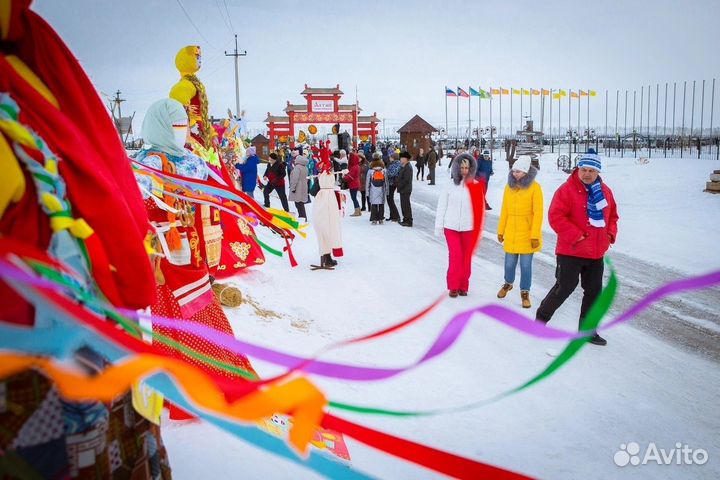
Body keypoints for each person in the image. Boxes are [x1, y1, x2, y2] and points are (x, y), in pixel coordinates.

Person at [535, 149, 619, 346]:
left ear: (598, 172)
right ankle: (540, 320)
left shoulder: (605, 192)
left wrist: (609, 235)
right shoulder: (566, 190)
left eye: (592, 170)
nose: (587, 174)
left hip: (596, 253)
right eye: (584, 169)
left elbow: (613, 217)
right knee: (564, 287)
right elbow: (556, 217)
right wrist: (577, 235)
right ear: (578, 169)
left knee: (593, 292)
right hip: (570, 251)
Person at [496, 156, 543, 309]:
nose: (515, 174)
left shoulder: (535, 188)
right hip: (511, 232)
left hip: (528, 234)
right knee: (509, 264)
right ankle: (508, 283)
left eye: (519, 171)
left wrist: (535, 235)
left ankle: (525, 292)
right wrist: (501, 230)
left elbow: (538, 213)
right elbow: (504, 211)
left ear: (526, 172)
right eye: (514, 170)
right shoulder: (508, 188)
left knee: (525, 266)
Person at [434, 153, 478, 297]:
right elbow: (442, 207)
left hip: (469, 228)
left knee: (466, 258)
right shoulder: (449, 186)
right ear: (456, 168)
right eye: (461, 167)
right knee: (455, 255)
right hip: (451, 227)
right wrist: (439, 226)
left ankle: (463, 286)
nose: (464, 170)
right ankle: (453, 285)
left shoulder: (476, 186)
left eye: (467, 167)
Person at [311, 154, 344, 269]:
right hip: (325, 206)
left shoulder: (323, 176)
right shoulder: (323, 177)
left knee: (326, 230)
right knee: (327, 229)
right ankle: (326, 257)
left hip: (322, 206)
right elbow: (313, 191)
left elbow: (313, 192)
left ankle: (327, 257)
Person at [366, 152, 388, 225]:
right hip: (381, 189)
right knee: (381, 204)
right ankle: (381, 219)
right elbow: (386, 182)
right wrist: (387, 191)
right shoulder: (383, 170)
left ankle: (374, 219)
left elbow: (368, 182)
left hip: (373, 189)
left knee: (374, 204)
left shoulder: (370, 171)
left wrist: (367, 192)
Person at [288, 146, 309, 222]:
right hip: (303, 186)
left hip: (298, 187)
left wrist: (292, 188)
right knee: (301, 203)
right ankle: (304, 217)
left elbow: (295, 179)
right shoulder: (305, 167)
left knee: (298, 204)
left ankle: (302, 218)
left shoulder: (297, 167)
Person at [396, 151, 414, 227]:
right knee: (403, 205)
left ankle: (408, 220)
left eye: (402, 158)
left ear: (406, 159)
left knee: (406, 205)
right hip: (403, 188)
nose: (401, 159)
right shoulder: (404, 166)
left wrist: (399, 185)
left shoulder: (408, 167)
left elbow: (406, 180)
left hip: (405, 189)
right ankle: (405, 219)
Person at [344, 150, 362, 216]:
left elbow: (350, 177)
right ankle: (358, 210)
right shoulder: (357, 166)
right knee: (354, 198)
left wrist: (344, 177)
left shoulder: (353, 167)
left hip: (353, 184)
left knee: (354, 198)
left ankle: (357, 211)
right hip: (356, 183)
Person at [385, 152, 402, 221]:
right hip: (390, 183)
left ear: (393, 158)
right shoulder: (393, 164)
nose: (389, 158)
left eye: (390, 157)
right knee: (389, 199)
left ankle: (396, 216)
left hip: (392, 183)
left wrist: (386, 173)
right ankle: (392, 215)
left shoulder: (397, 164)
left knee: (390, 199)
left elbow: (392, 173)